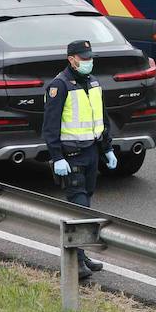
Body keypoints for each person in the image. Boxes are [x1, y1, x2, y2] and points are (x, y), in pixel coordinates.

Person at [43, 39, 116, 278]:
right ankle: (75, 262)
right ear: (71, 59)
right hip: (71, 154)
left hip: (91, 151)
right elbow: (50, 126)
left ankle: (82, 255)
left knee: (87, 204)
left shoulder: (93, 83)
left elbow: (101, 118)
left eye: (90, 57)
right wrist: (56, 157)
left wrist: (107, 148)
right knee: (78, 206)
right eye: (83, 58)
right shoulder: (59, 85)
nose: (88, 62)